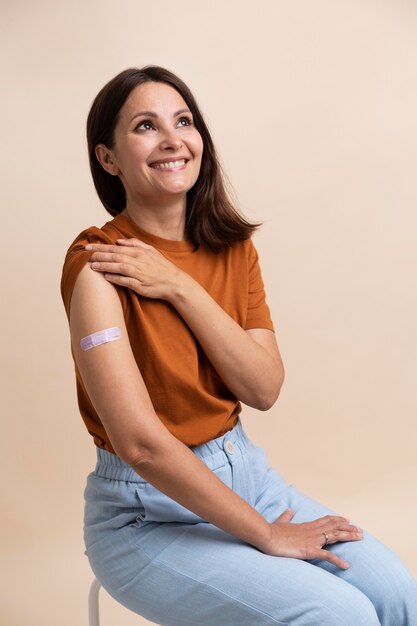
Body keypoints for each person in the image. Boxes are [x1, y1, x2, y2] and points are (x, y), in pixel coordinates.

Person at [61, 66, 417, 626]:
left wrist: (178, 286)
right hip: (147, 517)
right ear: (108, 158)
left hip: (251, 480)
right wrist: (268, 536)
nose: (172, 138)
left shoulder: (233, 248)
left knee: (398, 595)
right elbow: (141, 446)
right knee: (339, 615)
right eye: (145, 126)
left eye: (183, 121)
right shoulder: (98, 264)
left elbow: (263, 388)